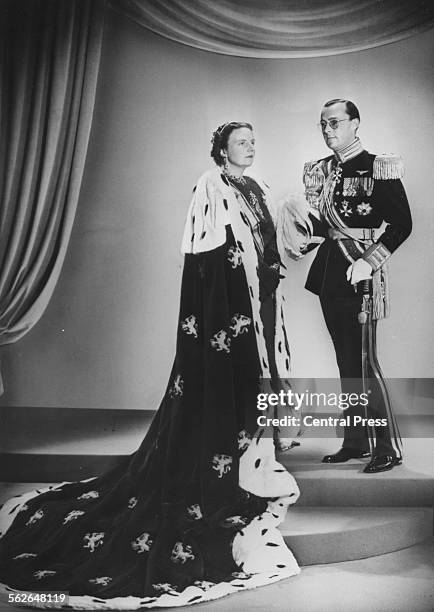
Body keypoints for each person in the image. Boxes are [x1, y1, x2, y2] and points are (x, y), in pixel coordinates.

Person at [0, 122, 300, 609]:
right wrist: (224, 322)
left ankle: (250, 467)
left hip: (261, 304)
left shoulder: (257, 188)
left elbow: (271, 246)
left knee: (255, 391)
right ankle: (224, 480)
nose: (250, 146)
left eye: (252, 140)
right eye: (241, 141)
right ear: (221, 150)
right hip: (231, 316)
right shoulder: (211, 186)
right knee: (226, 398)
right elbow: (205, 260)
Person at [281, 99, 412, 473]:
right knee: (345, 361)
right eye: (323, 124)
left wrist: (368, 262)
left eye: (335, 123)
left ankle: (385, 446)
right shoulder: (321, 171)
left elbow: (402, 224)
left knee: (364, 362)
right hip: (329, 273)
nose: (327, 130)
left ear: (355, 123)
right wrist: (299, 231)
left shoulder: (378, 167)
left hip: (361, 274)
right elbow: (325, 227)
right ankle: (355, 441)